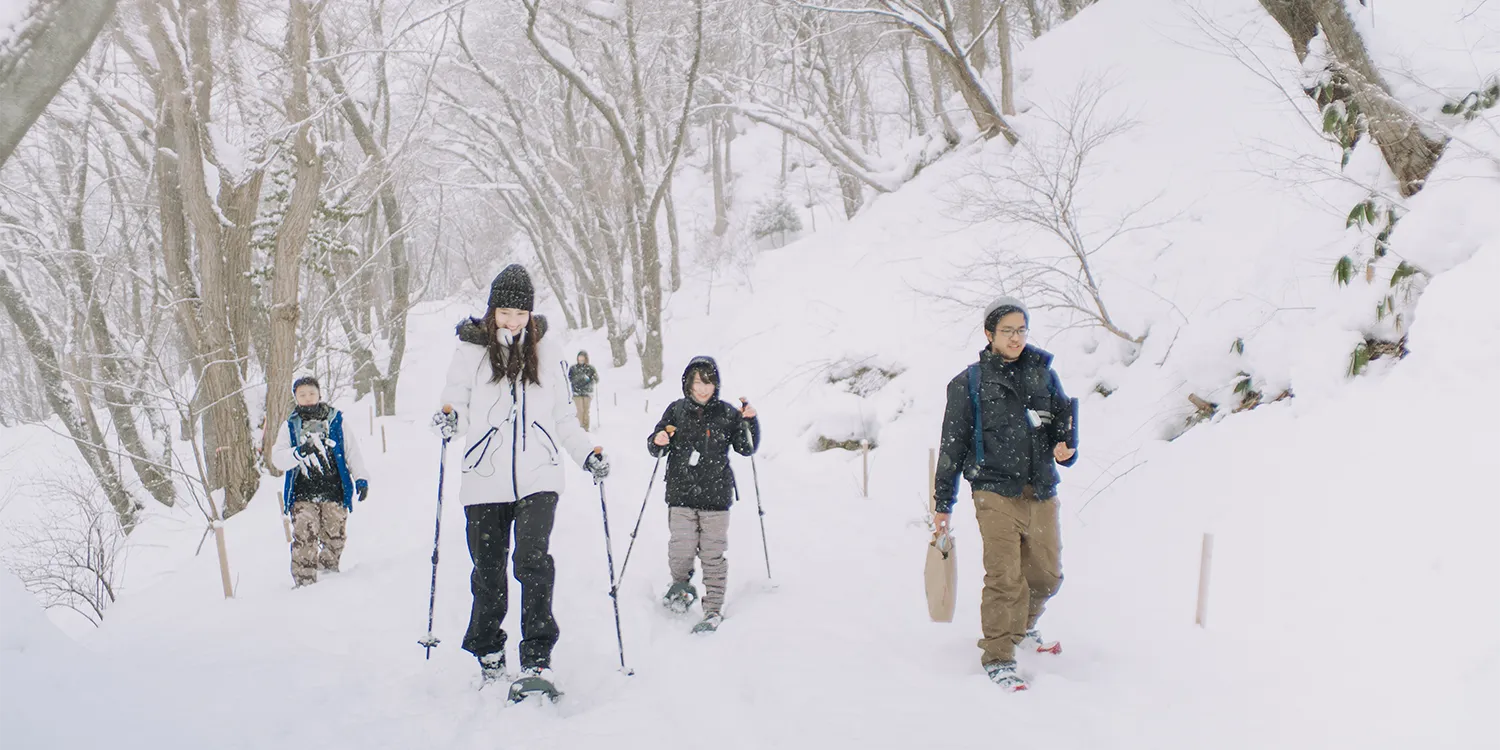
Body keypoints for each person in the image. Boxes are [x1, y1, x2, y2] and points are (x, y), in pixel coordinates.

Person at [433, 264, 610, 699]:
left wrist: (586, 452)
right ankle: (490, 653)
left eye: (521, 313)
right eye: (505, 312)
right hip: (483, 480)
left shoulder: (549, 351)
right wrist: (447, 420)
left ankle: (537, 660)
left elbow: (563, 416)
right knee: (488, 572)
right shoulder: (470, 350)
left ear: (531, 313)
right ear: (493, 310)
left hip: (539, 476)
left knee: (534, 565)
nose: (513, 321)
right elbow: (456, 407)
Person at [932, 297, 1077, 692]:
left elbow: (1062, 428)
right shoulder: (970, 383)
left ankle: (1022, 626)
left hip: (1041, 488)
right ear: (989, 334)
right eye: (1008, 330)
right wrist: (943, 504)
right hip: (993, 490)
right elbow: (952, 445)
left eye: (1021, 329)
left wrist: (1066, 448)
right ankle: (998, 655)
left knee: (1047, 576)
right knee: (1004, 577)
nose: (1016, 337)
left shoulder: (1045, 376)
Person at [646, 357, 760, 634]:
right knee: (680, 548)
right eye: (698, 382)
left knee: (713, 554)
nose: (703, 389)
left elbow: (746, 447)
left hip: (716, 496)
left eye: (708, 383)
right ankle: (680, 588)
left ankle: (713, 609)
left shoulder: (727, 413)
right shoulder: (676, 410)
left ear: (715, 384)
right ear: (688, 383)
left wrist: (750, 422)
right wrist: (658, 439)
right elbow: (656, 445)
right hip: (680, 493)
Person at [271, 376, 370, 588]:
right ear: (296, 398)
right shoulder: (290, 425)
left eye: (311, 393)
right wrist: (298, 453)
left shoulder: (336, 420)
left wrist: (360, 478)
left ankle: (328, 576)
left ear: (319, 394)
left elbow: (351, 451)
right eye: (302, 395)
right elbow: (277, 458)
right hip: (302, 493)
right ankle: (305, 583)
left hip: (334, 489)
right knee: (304, 536)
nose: (307, 398)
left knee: (335, 536)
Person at [568, 351, 599, 431]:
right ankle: (579, 427)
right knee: (579, 411)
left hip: (587, 393)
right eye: (579, 357)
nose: (581, 359)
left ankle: (586, 428)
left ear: (586, 358)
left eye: (582, 357)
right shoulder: (573, 368)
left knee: (586, 411)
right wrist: (579, 380)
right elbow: (570, 378)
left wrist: (591, 379)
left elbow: (596, 379)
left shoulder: (590, 368)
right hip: (576, 393)